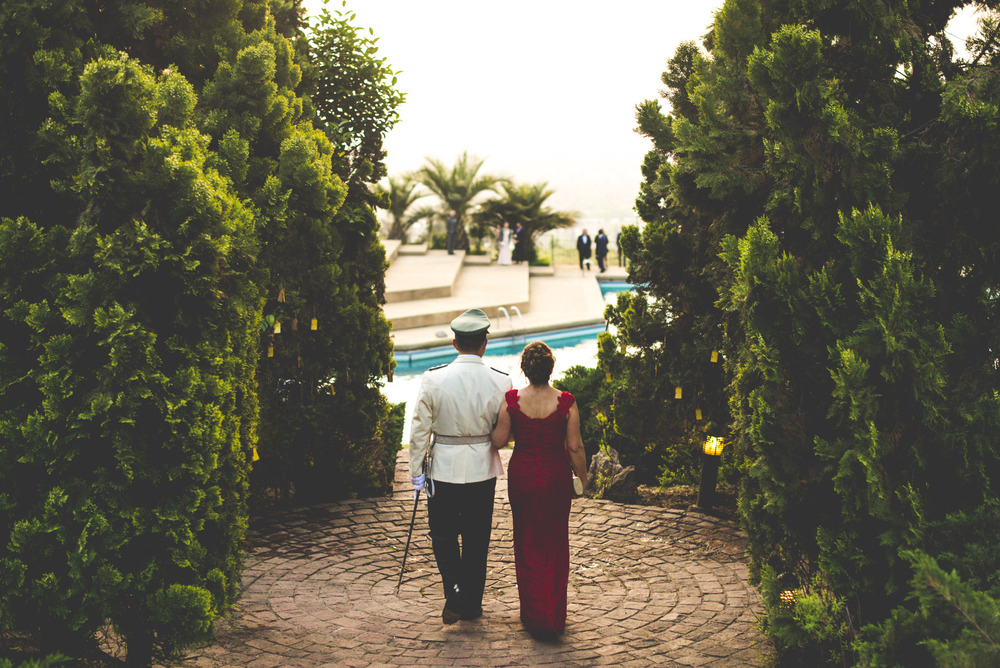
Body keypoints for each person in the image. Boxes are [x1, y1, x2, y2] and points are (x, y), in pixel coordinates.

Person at [409, 308, 512, 624]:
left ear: (455, 343)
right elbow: (503, 431)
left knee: (442, 535)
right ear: (484, 344)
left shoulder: (433, 378)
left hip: (443, 469)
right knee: (477, 538)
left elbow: (418, 429)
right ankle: (470, 605)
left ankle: (455, 590)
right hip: (482, 468)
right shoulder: (501, 380)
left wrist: (416, 472)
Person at [491, 341, 588, 637]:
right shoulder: (567, 402)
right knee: (556, 542)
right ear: (551, 368)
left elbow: (498, 441)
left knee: (526, 541)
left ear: (525, 369)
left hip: (522, 477)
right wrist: (583, 480)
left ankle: (532, 614)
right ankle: (553, 616)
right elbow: (575, 446)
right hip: (556, 478)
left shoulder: (511, 401)